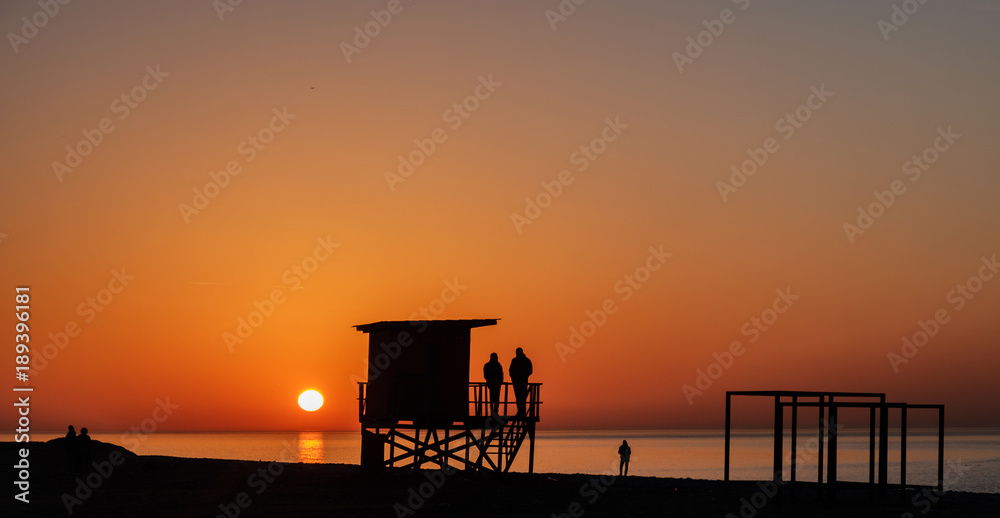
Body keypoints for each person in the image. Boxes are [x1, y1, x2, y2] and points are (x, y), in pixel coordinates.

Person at [508, 347, 533, 417]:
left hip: (522, 382)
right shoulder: (516, 360)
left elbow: (530, 370)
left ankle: (521, 412)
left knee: (522, 397)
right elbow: (510, 371)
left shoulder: (526, 360)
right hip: (517, 382)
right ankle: (520, 411)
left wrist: (523, 376)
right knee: (519, 397)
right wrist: (514, 378)